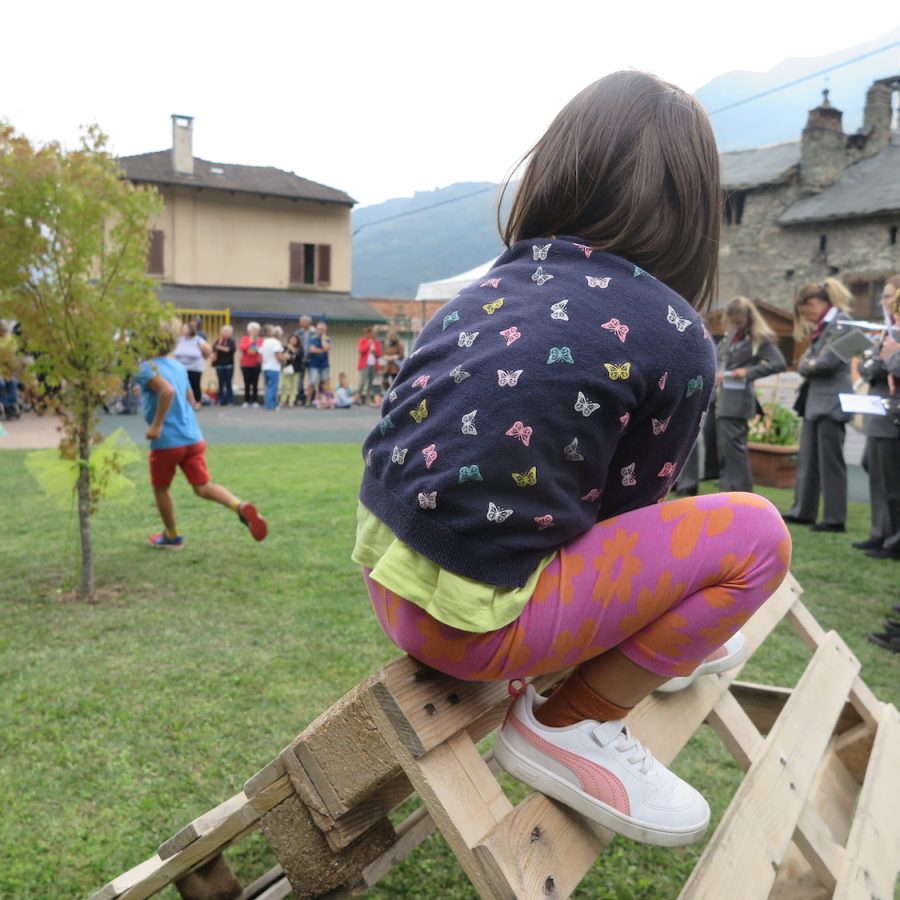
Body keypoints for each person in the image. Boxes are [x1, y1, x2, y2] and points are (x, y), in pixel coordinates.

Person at [351, 71, 791, 848]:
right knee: (757, 537)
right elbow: (629, 515)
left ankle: (664, 642)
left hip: (392, 586)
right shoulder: (675, 331)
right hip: (480, 627)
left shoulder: (489, 287)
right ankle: (572, 722)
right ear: (694, 216)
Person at [135, 317, 268, 549]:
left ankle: (172, 536)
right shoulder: (177, 366)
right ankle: (239, 506)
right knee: (203, 487)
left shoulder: (147, 368)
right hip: (193, 438)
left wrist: (156, 425)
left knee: (161, 488)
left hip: (168, 441)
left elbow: (167, 392)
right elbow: (190, 398)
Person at [783, 279, 854, 532]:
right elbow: (808, 361)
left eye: (807, 312)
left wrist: (810, 362)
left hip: (832, 402)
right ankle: (803, 511)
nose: (808, 319)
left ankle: (835, 519)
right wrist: (811, 362)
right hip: (815, 401)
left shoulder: (844, 324)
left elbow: (827, 363)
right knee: (808, 461)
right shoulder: (824, 328)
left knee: (831, 464)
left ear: (813, 303)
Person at [715, 297, 786, 492]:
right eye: (733, 321)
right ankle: (727, 490)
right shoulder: (732, 336)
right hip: (724, 398)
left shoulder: (759, 338)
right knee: (725, 451)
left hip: (738, 401)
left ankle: (742, 493)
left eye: (739, 321)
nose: (736, 325)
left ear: (748, 317)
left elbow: (778, 363)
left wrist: (748, 373)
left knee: (735, 451)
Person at [855, 276, 900, 560]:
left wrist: (889, 358)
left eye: (888, 296)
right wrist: (882, 360)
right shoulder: (888, 330)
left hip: (890, 413)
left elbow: (884, 363)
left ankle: (892, 540)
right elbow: (868, 366)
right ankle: (881, 533)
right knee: (877, 474)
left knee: (892, 483)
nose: (883, 302)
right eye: (883, 296)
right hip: (880, 408)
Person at [174, 322, 211, 404]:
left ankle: (197, 402)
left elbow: (208, 350)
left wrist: (204, 357)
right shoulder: (180, 340)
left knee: (194, 385)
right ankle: (184, 402)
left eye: (185, 328)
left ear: (191, 330)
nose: (183, 330)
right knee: (182, 385)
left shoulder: (198, 340)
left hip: (195, 367)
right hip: (181, 367)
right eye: (183, 328)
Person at [260, 324, 286, 410]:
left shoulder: (265, 341)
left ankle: (270, 404)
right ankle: (270, 405)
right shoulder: (276, 342)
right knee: (272, 387)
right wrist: (284, 360)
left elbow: (261, 353)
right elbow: (278, 355)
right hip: (273, 367)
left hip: (265, 367)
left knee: (268, 387)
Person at [0, 320, 21, 420]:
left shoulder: (10, 339)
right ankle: (7, 406)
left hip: (7, 367)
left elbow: (13, 354)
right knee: (1, 384)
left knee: (13, 383)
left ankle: (12, 404)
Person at [307, 321, 331, 407]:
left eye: (322, 329)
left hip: (324, 365)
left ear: (325, 330)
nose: (320, 331)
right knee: (312, 382)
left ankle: (327, 400)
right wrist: (322, 350)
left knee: (326, 383)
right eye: (319, 329)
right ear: (316, 329)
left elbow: (327, 348)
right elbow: (312, 350)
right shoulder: (313, 338)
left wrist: (323, 339)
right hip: (314, 365)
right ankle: (308, 400)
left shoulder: (327, 339)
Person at [356, 326, 382, 406]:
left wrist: (375, 351)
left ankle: (367, 399)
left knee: (371, 383)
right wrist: (368, 344)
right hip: (365, 365)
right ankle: (358, 397)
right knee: (363, 381)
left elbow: (379, 354)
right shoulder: (362, 340)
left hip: (373, 365)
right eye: (371, 333)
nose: (372, 334)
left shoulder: (376, 342)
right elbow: (361, 350)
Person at [239, 322, 263, 408]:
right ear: (249, 330)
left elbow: (259, 349)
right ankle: (246, 400)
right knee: (247, 383)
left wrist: (252, 348)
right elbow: (242, 347)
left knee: (255, 383)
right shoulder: (245, 338)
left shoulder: (260, 339)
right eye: (253, 330)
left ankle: (255, 401)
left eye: (256, 330)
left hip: (256, 364)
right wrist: (251, 342)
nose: (254, 332)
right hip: (245, 364)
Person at [212, 325, 236, 406]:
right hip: (219, 364)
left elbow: (230, 350)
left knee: (228, 383)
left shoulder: (231, 341)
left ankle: (230, 401)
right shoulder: (218, 341)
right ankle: (220, 400)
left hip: (229, 365)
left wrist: (220, 348)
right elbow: (214, 348)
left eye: (228, 332)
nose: (226, 333)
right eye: (225, 332)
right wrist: (221, 347)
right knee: (220, 383)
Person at [294, 315, 314, 406]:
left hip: (312, 359)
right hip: (300, 359)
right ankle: (300, 398)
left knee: (312, 380)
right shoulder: (298, 332)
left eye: (302, 321)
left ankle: (311, 398)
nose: (300, 323)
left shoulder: (314, 332)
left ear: (308, 322)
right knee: (300, 380)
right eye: (300, 321)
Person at [278, 333, 303, 408]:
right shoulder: (284, 347)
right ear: (288, 340)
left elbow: (299, 354)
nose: (292, 341)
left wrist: (292, 348)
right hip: (286, 369)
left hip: (296, 369)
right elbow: (281, 357)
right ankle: (283, 400)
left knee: (294, 386)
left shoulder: (300, 348)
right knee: (285, 385)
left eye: (294, 339)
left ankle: (291, 401)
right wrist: (286, 356)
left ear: (297, 341)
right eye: (291, 339)